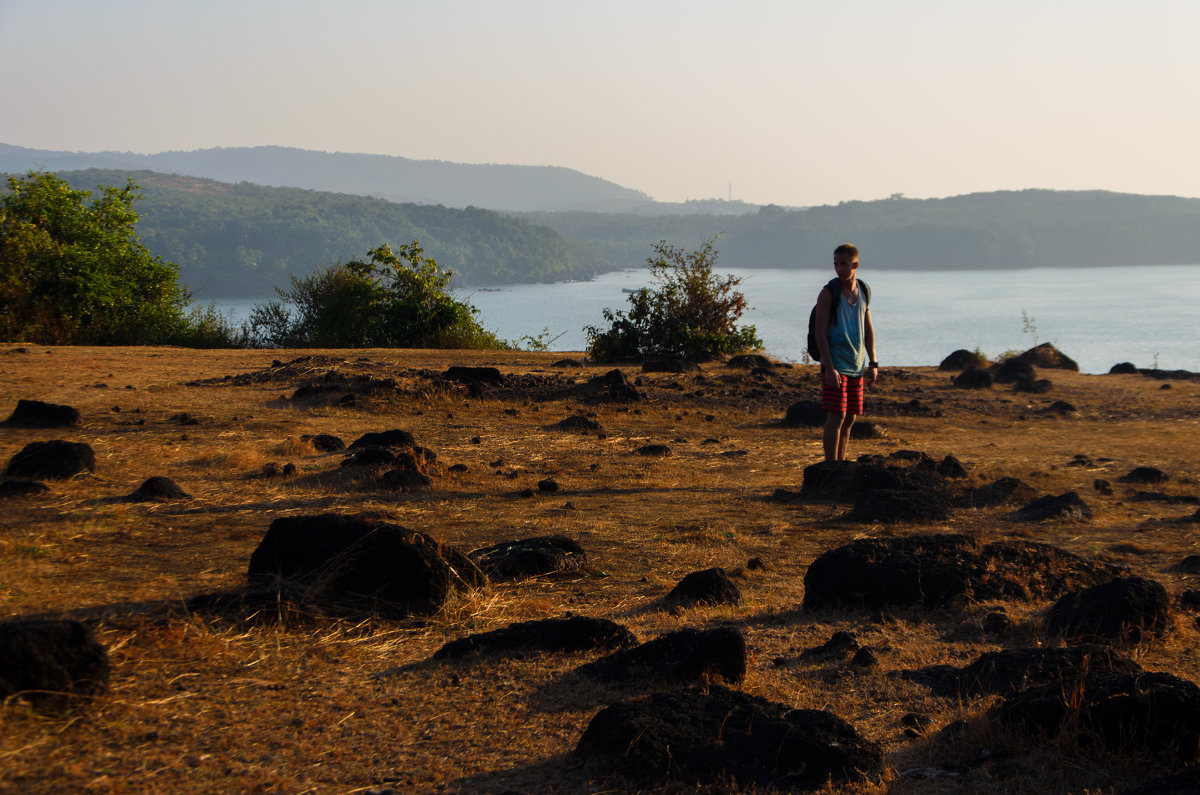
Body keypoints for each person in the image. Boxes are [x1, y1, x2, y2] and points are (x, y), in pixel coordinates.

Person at [813, 243, 878, 462]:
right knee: (836, 415)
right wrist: (829, 367)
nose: (839, 269)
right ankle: (830, 465)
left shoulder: (864, 291)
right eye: (836, 264)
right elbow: (819, 332)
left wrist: (873, 362)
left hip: (857, 364)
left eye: (844, 264)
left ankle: (841, 462)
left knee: (850, 418)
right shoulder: (828, 292)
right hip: (835, 364)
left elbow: (868, 329)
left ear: (855, 264)